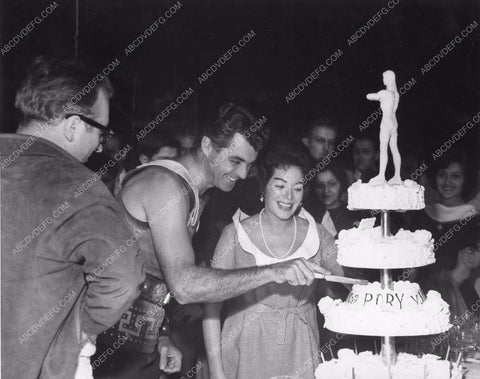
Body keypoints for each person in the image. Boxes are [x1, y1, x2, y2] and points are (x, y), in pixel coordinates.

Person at [93, 103, 330, 378]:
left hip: (135, 343)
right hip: (108, 344)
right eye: (235, 161)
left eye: (249, 165)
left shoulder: (193, 193)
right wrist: (273, 271)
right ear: (207, 145)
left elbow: (153, 277)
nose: (242, 174)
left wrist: (161, 335)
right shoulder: (164, 186)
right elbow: (184, 286)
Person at [0, 56, 144, 379]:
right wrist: (78, 328)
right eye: (101, 132)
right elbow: (125, 279)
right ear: (74, 125)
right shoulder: (80, 189)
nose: (98, 146)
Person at [203, 144, 343, 379]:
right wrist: (217, 372)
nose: (288, 197)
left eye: (297, 188)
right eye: (279, 186)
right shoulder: (235, 234)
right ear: (264, 187)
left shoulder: (317, 234)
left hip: (301, 346)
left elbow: (350, 278)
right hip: (246, 344)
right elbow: (211, 307)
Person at [410, 150, 480, 319]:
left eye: (456, 176)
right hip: (423, 301)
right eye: (442, 175)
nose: (447, 182)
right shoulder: (420, 215)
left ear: (465, 181)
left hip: (461, 305)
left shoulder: (475, 221)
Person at [367, 70, 402, 185]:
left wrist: (374, 95)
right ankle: (397, 175)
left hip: (386, 120)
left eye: (384, 77)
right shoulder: (396, 94)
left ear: (388, 78)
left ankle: (381, 176)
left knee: (383, 148)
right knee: (394, 149)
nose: (383, 79)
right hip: (394, 122)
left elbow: (370, 97)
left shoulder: (384, 93)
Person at [311, 163, 360, 236]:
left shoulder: (352, 215)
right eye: (320, 185)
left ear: (341, 184)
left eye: (332, 184)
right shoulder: (309, 215)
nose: (326, 190)